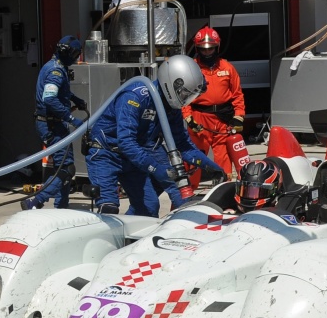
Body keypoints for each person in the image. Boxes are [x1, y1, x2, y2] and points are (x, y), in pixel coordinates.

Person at [85, 55, 224, 217]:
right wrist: (156, 169)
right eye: (184, 94)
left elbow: (182, 144)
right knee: (109, 209)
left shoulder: (172, 108)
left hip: (135, 155)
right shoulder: (134, 96)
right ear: (173, 83)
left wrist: (209, 166)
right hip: (105, 154)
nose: (185, 100)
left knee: (149, 207)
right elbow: (126, 142)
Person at [21, 36, 86, 211]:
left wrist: (75, 99)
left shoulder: (54, 66)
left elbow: (60, 92)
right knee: (67, 169)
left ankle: (62, 207)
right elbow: (50, 99)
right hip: (52, 125)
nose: (76, 59)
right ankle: (35, 202)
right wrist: (71, 119)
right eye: (75, 55)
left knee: (63, 166)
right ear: (68, 53)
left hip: (54, 124)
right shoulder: (56, 71)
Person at [183, 27, 246, 180]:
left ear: (217, 47)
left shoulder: (227, 68)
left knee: (223, 159)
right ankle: (189, 189)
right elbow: (184, 97)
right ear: (197, 48)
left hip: (222, 120)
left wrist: (239, 116)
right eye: (203, 49)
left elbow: (237, 95)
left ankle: (224, 186)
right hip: (199, 119)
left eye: (210, 49)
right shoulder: (191, 69)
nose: (207, 52)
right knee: (195, 158)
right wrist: (189, 118)